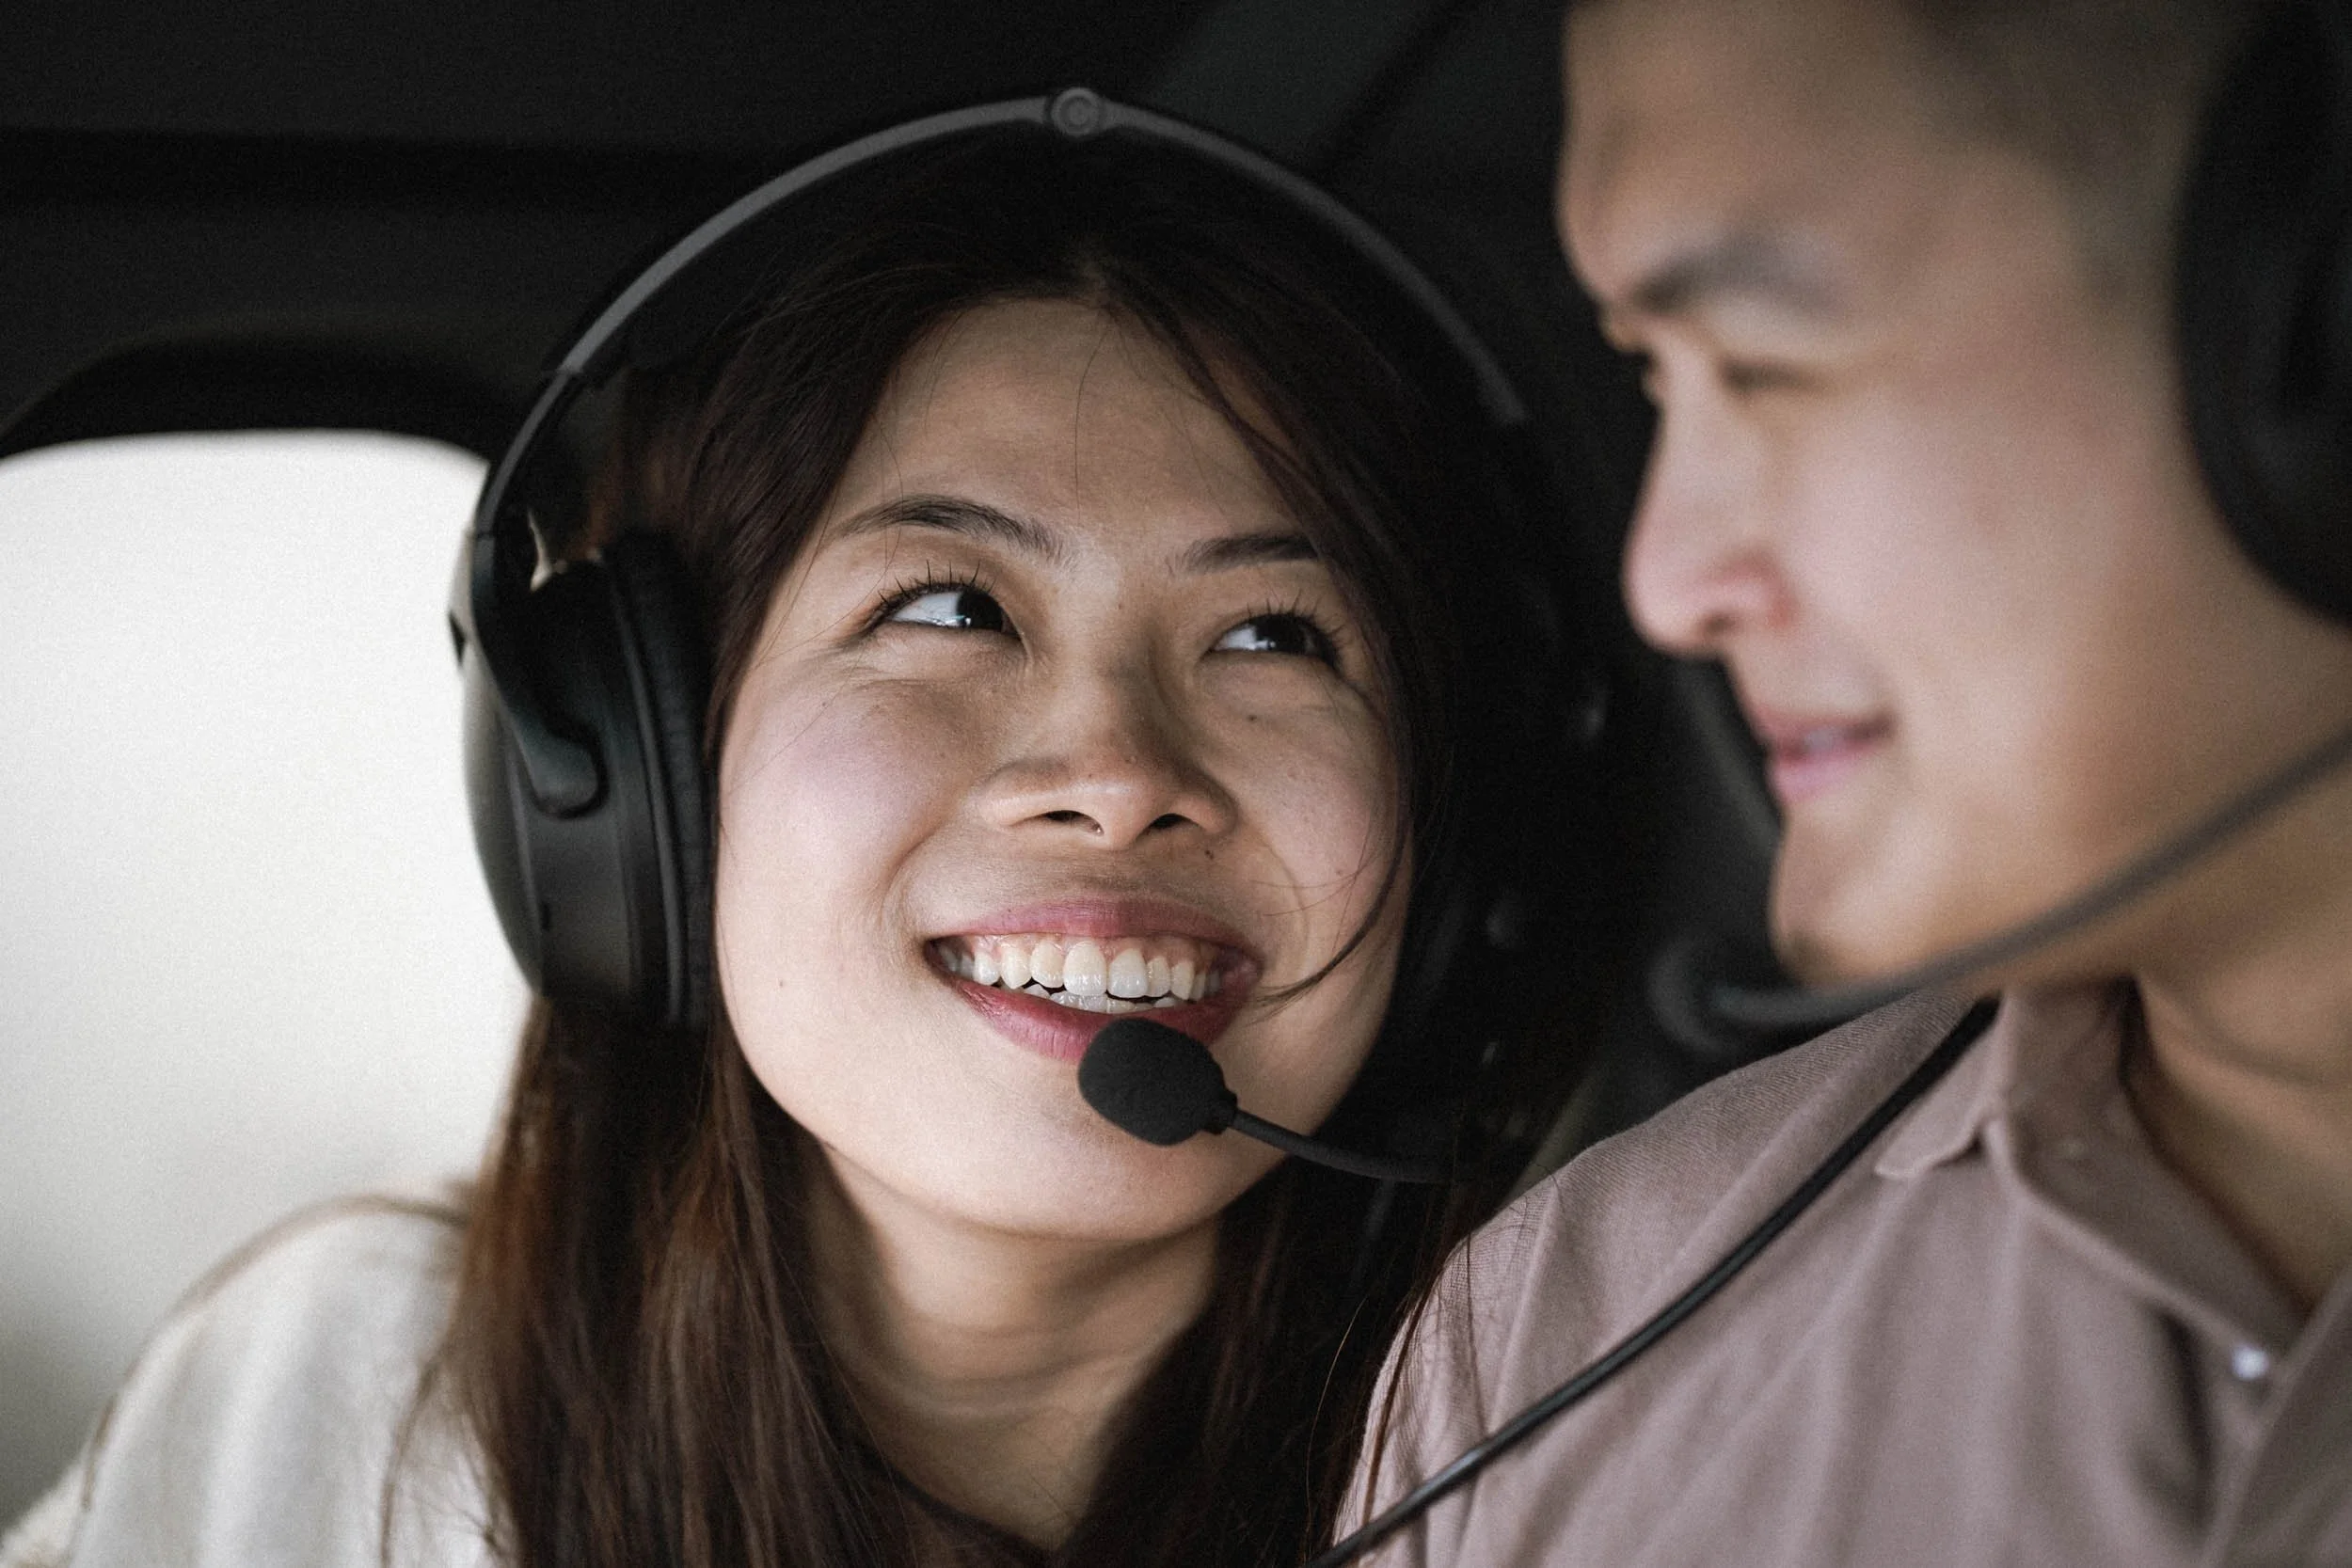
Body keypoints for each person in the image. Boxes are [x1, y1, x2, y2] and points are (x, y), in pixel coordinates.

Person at [2, 128, 1587, 1568]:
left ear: (1454, 841)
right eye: (953, 609)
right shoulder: (337, 1398)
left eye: (1271, 635)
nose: (1115, 775)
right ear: (649, 770)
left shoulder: (1599, 1442)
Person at [1346, 0, 2352, 1562]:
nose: (1668, 585)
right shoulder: (1557, 1340)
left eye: (1761, 363)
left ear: (2310, 330)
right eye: (1658, 384)